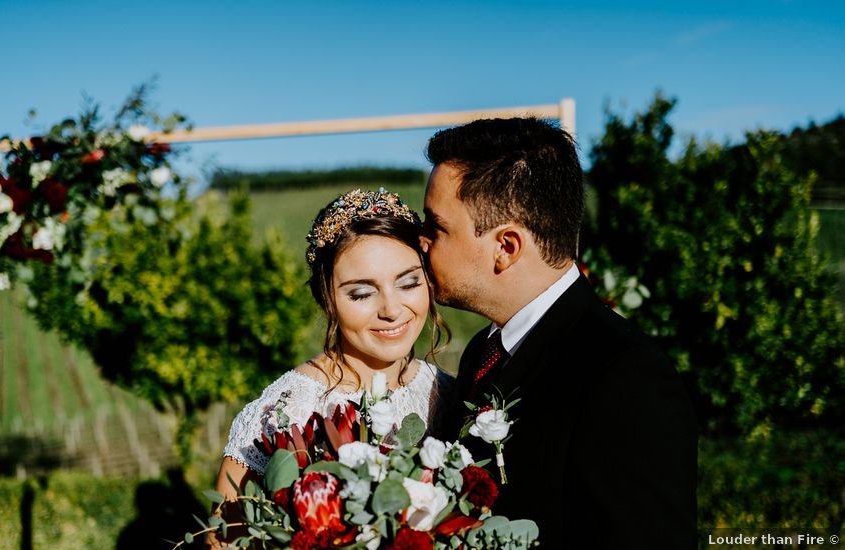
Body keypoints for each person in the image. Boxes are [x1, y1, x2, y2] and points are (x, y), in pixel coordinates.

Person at [420, 117, 697, 549]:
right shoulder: (484, 351)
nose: (421, 242)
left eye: (436, 227)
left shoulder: (625, 377)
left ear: (506, 247)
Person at [207, 188, 453, 544]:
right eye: (361, 293)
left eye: (408, 282)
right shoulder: (284, 411)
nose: (391, 309)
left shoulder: (446, 391)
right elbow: (222, 541)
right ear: (327, 298)